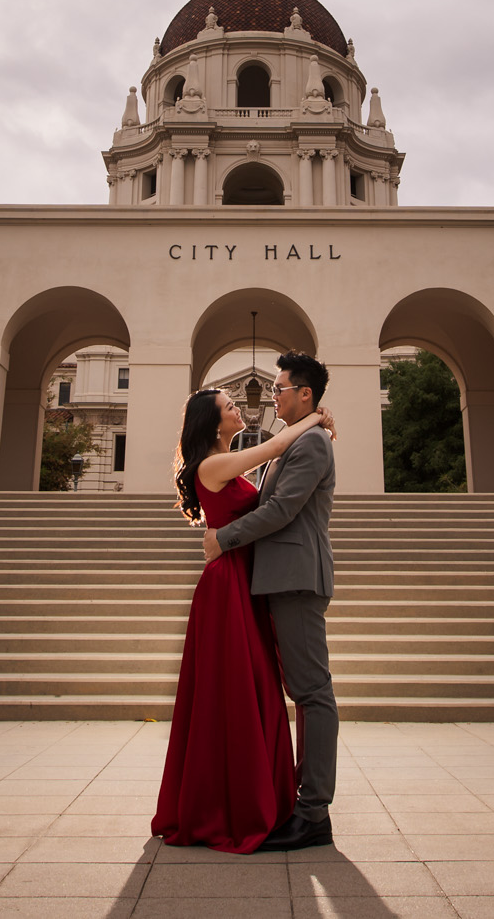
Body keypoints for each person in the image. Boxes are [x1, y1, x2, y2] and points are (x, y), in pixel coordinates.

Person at [151, 379, 337, 853]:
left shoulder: (228, 466)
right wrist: (317, 418)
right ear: (213, 423)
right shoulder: (214, 464)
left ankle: (255, 800)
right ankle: (232, 805)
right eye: (231, 405)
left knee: (250, 691)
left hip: (246, 583)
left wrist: (315, 422)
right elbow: (275, 444)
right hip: (227, 586)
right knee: (231, 693)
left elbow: (271, 497)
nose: (241, 409)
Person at [203, 350, 337, 853]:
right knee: (304, 692)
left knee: (312, 693)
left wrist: (225, 538)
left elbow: (281, 510)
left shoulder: (312, 444)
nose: (272, 393)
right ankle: (300, 804)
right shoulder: (296, 440)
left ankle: (314, 811)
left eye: (280, 388)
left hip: (297, 580)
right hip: (277, 579)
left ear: (305, 394)